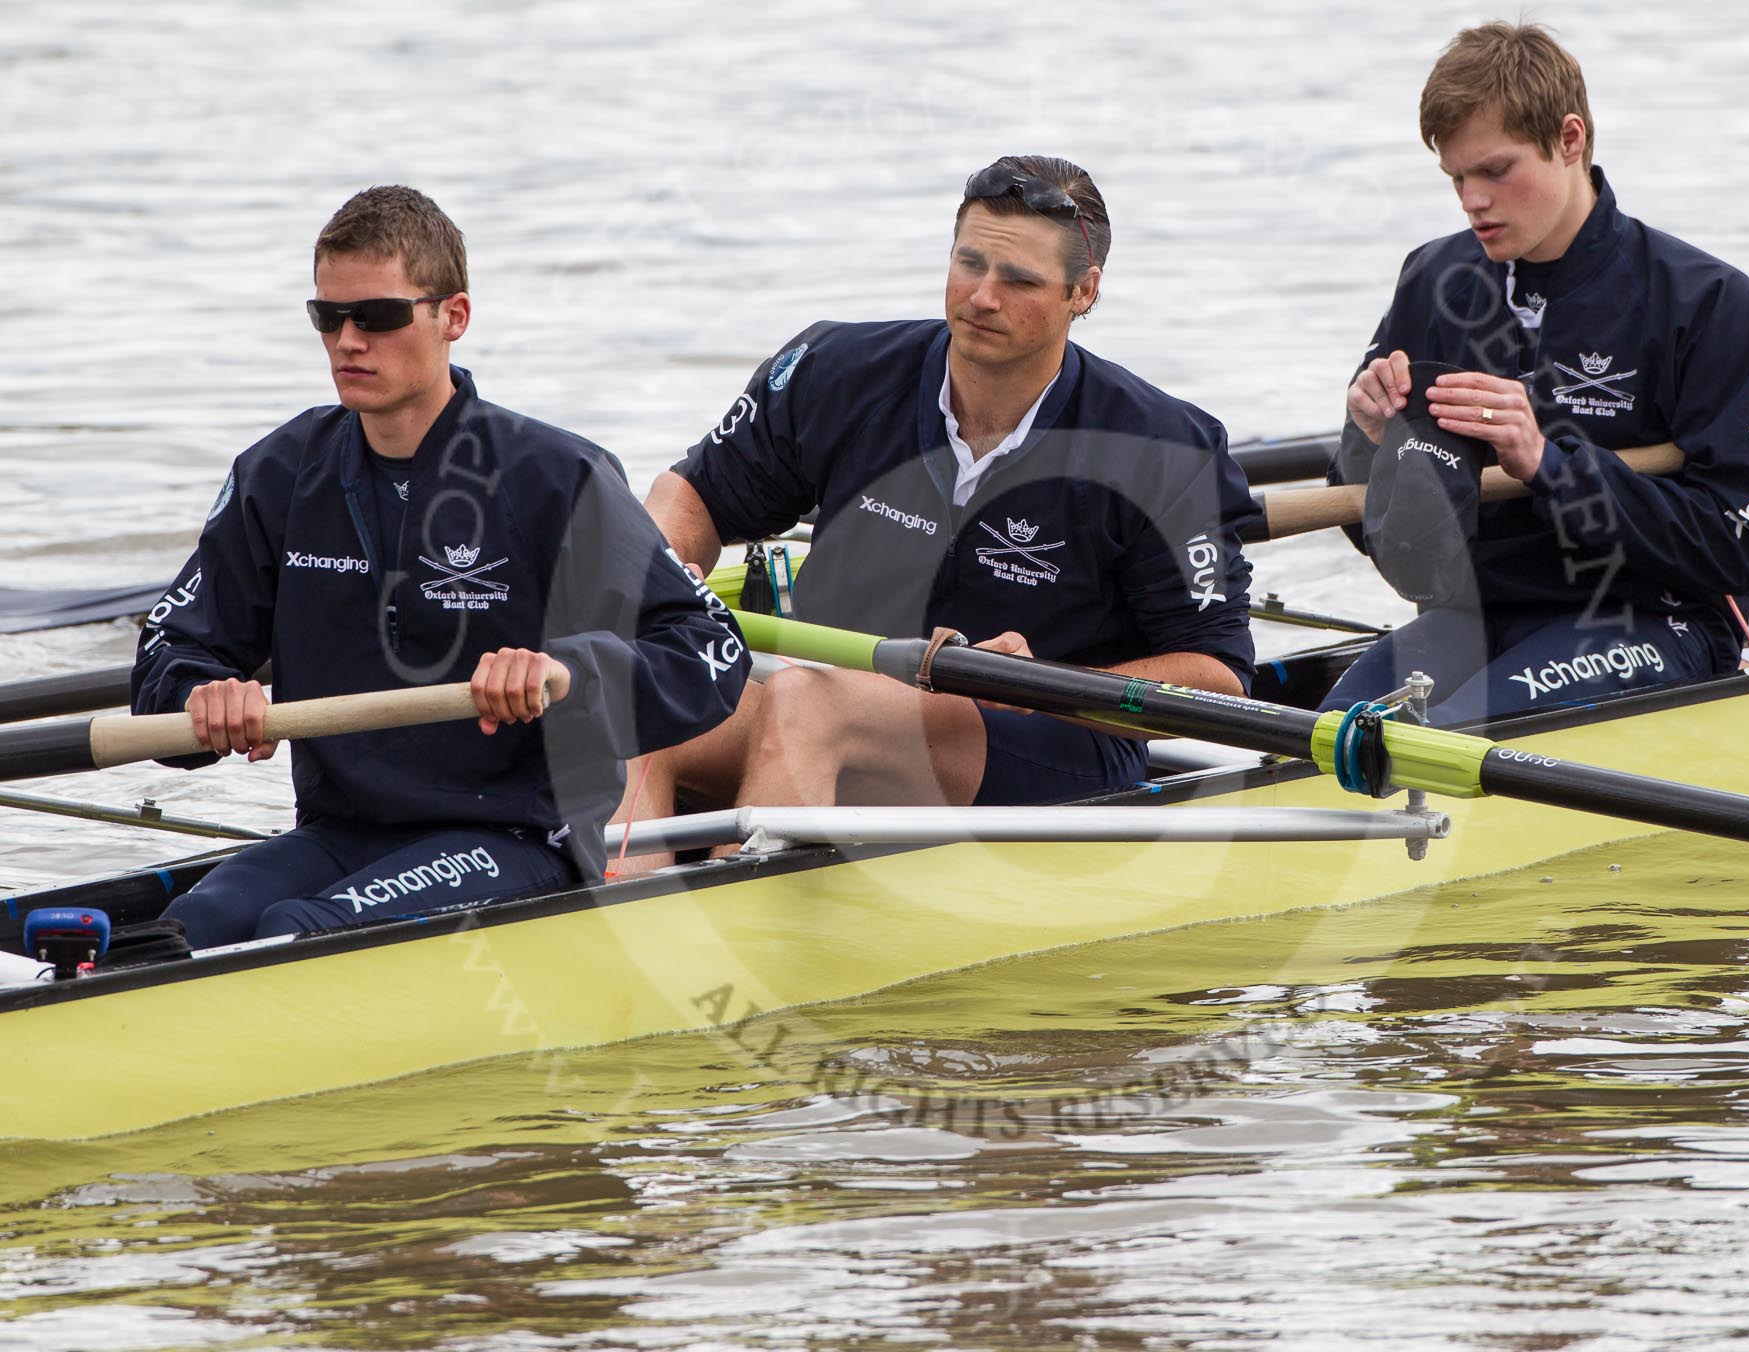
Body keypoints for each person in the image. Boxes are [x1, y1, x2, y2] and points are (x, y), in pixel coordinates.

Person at [133, 185, 750, 949]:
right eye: (327, 317)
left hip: (519, 837)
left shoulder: (557, 477)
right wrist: (204, 697)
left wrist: (566, 672)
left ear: (452, 316)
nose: (347, 342)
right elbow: (166, 655)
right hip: (344, 830)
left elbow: (708, 649)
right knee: (182, 931)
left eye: (378, 317)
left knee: (296, 930)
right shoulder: (281, 475)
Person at [628, 155, 1256, 829]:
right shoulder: (836, 372)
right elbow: (693, 494)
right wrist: (654, 577)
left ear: (1083, 291)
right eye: (970, 264)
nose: (983, 297)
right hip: (820, 696)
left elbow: (1219, 673)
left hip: (1047, 741)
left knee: (807, 704)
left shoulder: (1164, 446)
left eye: (1019, 279)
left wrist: (1042, 687)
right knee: (628, 692)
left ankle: (746, 920)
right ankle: (620, 914)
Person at [1319, 21, 1749, 724]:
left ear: (1570, 140)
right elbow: (1397, 549)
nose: (1472, 200)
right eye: (1456, 177)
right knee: (1331, 734)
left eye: (1496, 171)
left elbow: (1735, 553)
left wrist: (1546, 465)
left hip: (1652, 619)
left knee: (1442, 738)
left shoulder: (1712, 304)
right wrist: (1373, 448)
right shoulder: (1434, 278)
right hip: (1476, 614)